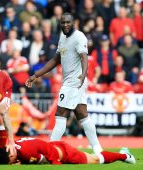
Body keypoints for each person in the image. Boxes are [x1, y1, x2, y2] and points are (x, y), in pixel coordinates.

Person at [25, 12, 102, 154]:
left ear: (74, 23)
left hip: (74, 81)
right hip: (71, 81)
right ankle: (98, 149)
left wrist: (83, 74)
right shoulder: (62, 37)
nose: (65, 25)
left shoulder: (79, 37)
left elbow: (84, 56)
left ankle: (50, 150)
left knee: (60, 114)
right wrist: (36, 75)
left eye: (68, 22)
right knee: (82, 115)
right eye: (63, 22)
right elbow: (55, 60)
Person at [0, 138, 136, 165]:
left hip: (64, 153)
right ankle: (123, 153)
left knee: (96, 160)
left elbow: (44, 161)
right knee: (93, 157)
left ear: (11, 155)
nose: (10, 164)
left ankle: (125, 155)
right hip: (55, 147)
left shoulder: (25, 153)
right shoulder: (13, 146)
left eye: (9, 162)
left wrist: (22, 163)